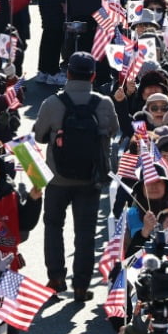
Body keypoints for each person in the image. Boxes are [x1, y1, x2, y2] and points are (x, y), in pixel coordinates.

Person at [32, 51, 116, 302]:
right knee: (86, 233)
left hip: (57, 178)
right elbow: (113, 131)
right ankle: (81, 285)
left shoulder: (52, 103)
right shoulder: (103, 103)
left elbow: (38, 135)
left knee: (53, 226)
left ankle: (56, 277)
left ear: (67, 73)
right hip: (90, 178)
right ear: (92, 75)